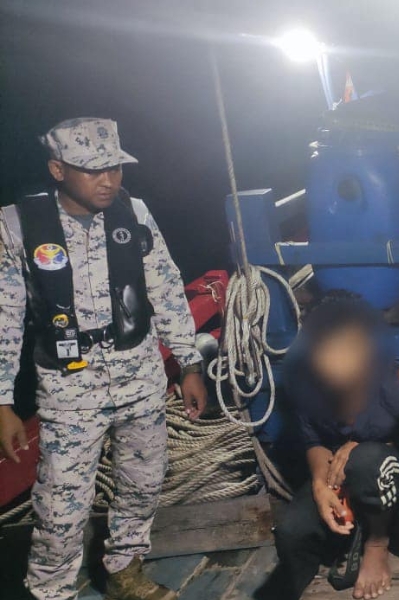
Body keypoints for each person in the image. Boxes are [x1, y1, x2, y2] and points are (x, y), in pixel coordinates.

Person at [0, 118, 209, 600]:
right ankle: (52, 591)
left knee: (143, 484)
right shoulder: (17, 226)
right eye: (92, 170)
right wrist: (3, 401)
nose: (108, 180)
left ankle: (124, 571)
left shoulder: (133, 212)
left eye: (114, 167)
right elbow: (5, 316)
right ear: (58, 169)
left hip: (140, 376)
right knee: (60, 507)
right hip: (69, 390)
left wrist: (189, 363)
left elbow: (165, 287)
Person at [263, 291, 399, 600]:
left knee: (366, 459)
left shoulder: (397, 384)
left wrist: (367, 444)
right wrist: (320, 484)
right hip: (348, 484)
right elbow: (313, 440)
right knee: (292, 533)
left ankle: (376, 545)